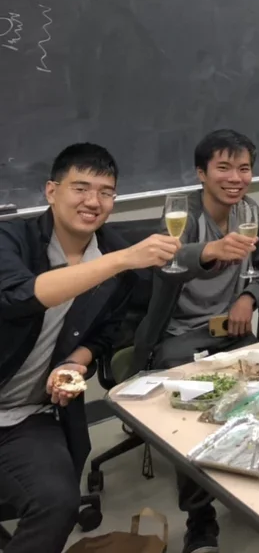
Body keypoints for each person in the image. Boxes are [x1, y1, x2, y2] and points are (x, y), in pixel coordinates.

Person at [0, 144, 180, 553]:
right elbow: (19, 296)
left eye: (106, 192)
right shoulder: (12, 239)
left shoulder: (114, 253)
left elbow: (104, 336)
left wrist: (73, 364)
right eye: (81, 188)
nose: (93, 202)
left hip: (31, 415)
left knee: (58, 503)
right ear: (51, 191)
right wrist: (120, 260)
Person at [136, 129, 259, 553]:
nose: (235, 177)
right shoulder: (179, 215)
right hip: (179, 337)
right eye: (223, 167)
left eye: (244, 168)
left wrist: (249, 298)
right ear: (201, 173)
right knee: (192, 417)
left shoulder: (250, 211)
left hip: (233, 332)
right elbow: (167, 262)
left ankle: (248, 476)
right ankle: (201, 520)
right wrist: (209, 251)